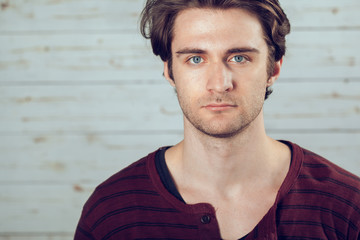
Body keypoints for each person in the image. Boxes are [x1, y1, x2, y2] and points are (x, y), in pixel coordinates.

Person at [74, 0, 360, 239]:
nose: (219, 84)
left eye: (239, 58)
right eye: (195, 59)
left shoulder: (348, 206)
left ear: (273, 69)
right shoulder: (111, 211)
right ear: (170, 71)